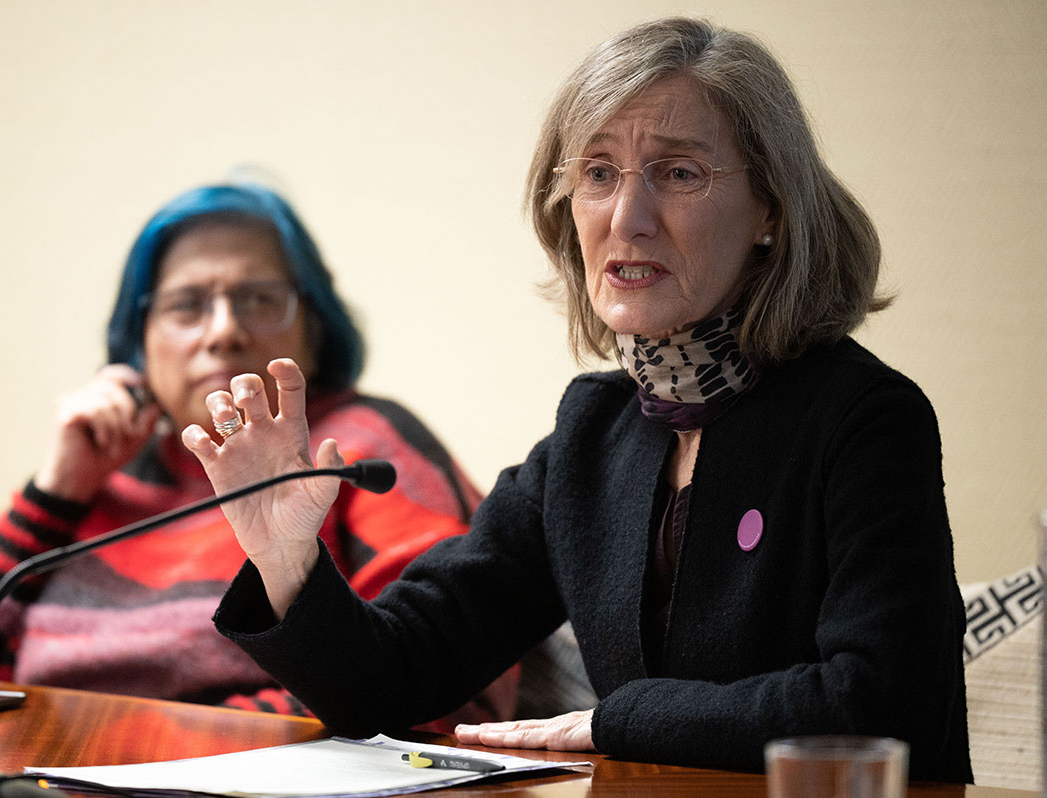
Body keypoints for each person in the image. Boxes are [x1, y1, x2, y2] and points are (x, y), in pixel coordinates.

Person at [183, 18, 972, 781]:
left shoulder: (865, 420)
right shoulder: (593, 435)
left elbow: (880, 704)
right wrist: (287, 560)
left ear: (770, 208)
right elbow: (393, 677)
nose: (627, 218)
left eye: (679, 173)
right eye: (598, 173)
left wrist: (614, 721)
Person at [0, 182, 516, 728]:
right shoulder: (99, 470)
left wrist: (145, 747)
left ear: (314, 327)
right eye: (187, 305)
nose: (224, 330)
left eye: (259, 299)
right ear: (140, 340)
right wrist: (54, 492)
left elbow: (435, 683)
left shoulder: (360, 448)